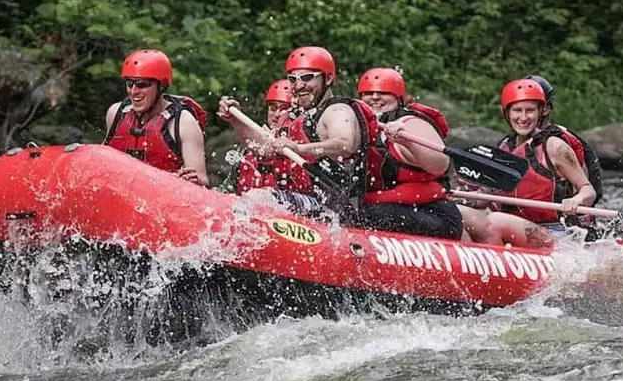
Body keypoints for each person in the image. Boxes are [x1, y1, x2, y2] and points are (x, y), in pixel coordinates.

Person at [357, 68, 552, 248]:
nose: (375, 97)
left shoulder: (554, 144)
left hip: (547, 223)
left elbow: (440, 165)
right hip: (411, 208)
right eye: (368, 93)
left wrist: (407, 142)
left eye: (383, 93)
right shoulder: (362, 129)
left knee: (491, 223)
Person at [218, 46, 379, 217]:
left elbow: (346, 144)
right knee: (248, 198)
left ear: (328, 78)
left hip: (333, 210)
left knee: (260, 199)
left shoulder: (337, 110)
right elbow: (264, 151)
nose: (299, 85)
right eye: (293, 79)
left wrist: (299, 148)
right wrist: (236, 120)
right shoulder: (296, 116)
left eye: (307, 77)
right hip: (301, 202)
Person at [490, 78, 597, 232]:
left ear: (541, 112)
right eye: (517, 110)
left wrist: (576, 200)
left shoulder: (554, 146)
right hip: (511, 226)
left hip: (554, 230)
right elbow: (492, 193)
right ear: (506, 112)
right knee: (466, 214)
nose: (523, 117)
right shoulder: (504, 147)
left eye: (530, 110)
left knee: (495, 221)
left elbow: (589, 191)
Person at [104, 49, 209, 186]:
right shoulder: (115, 113)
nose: (134, 92)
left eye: (142, 84)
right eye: (130, 83)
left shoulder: (183, 122)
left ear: (161, 86)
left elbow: (203, 182)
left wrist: (194, 181)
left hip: (164, 194)